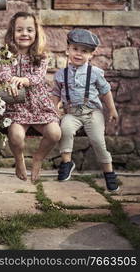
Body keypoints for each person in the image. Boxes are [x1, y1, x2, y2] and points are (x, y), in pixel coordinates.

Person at [52, 28, 119, 192]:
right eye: (75, 49)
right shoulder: (61, 74)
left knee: (97, 140)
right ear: (68, 50)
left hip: (92, 113)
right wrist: (54, 108)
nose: (79, 54)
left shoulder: (95, 73)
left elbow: (105, 91)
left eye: (84, 51)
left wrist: (112, 110)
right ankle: (67, 162)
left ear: (91, 55)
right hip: (72, 113)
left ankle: (109, 173)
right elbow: (55, 93)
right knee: (65, 129)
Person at [0, 12, 61, 182]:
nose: (24, 34)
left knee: (55, 133)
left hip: (39, 105)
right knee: (16, 136)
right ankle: (19, 159)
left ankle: (38, 157)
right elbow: (3, 73)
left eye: (29, 30)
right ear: (12, 33)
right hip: (17, 105)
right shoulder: (6, 54)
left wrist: (24, 80)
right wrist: (10, 80)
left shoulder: (41, 56)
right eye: (19, 30)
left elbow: (39, 76)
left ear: (36, 33)